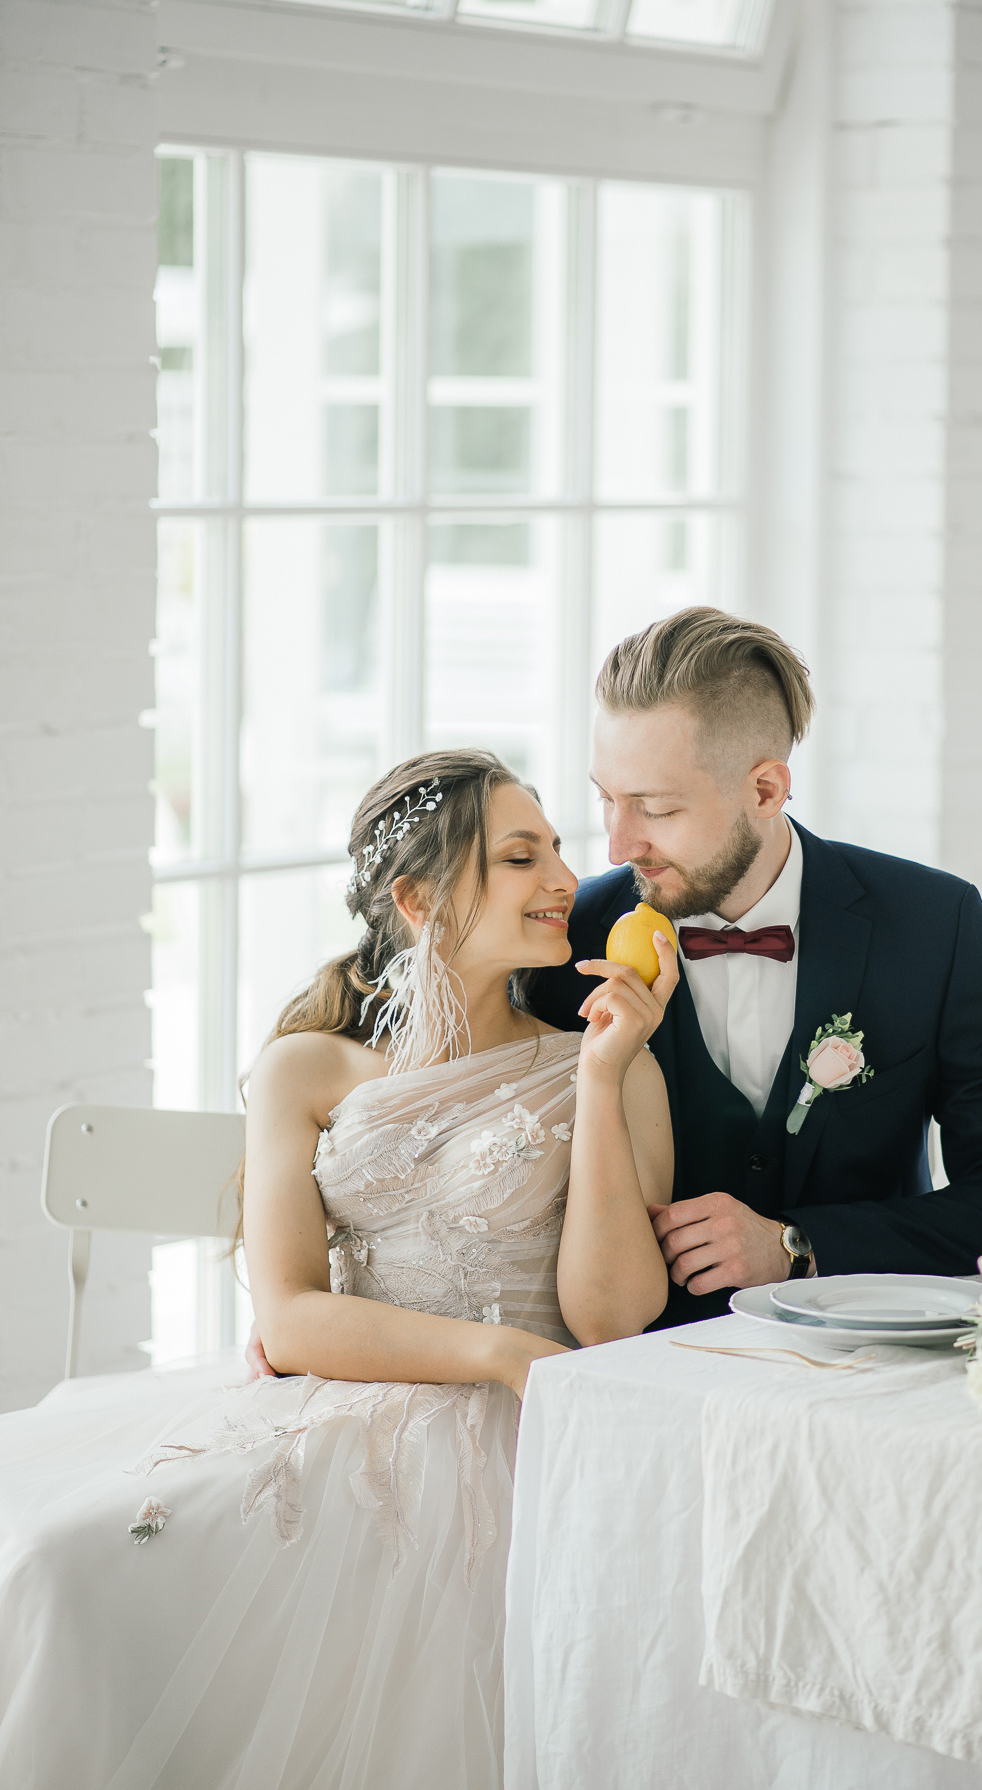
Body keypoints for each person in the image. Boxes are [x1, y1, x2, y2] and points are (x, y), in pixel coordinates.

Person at [0, 750, 675, 1790]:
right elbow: (291, 1317)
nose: (562, 880)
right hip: (330, 1407)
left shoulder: (606, 1064)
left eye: (556, 849)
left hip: (507, 1457)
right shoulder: (307, 1068)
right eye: (518, 856)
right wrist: (499, 1352)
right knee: (52, 1557)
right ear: (418, 900)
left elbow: (615, 1314)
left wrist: (597, 1073)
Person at [529, 607, 982, 1330]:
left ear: (765, 791)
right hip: (646, 1376)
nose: (618, 844)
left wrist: (802, 1246)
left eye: (655, 808)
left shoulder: (932, 924)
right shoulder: (566, 941)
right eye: (606, 799)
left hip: (875, 1372)